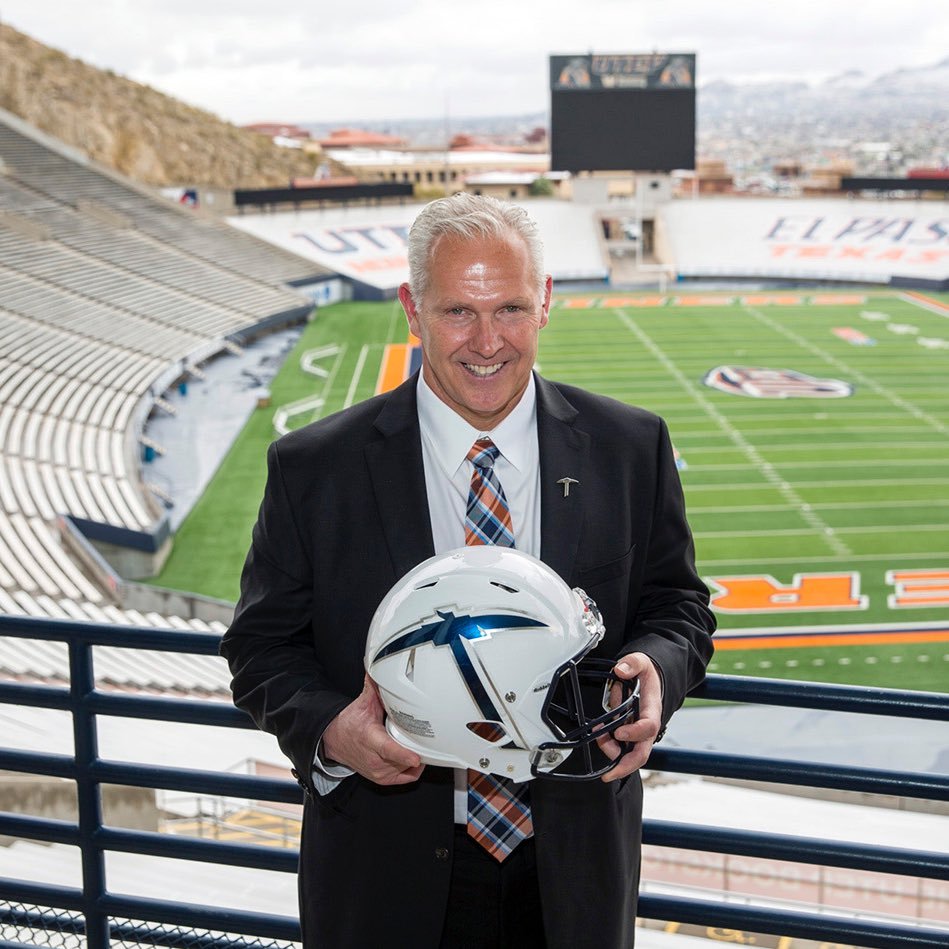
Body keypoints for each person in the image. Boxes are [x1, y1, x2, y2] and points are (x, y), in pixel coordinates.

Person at [221, 193, 715, 948]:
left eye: (510, 308)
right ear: (412, 310)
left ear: (545, 301)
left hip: (572, 871)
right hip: (383, 875)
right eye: (458, 312)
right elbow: (259, 651)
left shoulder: (628, 446)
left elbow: (677, 606)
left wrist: (660, 666)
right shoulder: (315, 467)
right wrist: (331, 729)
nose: (487, 341)